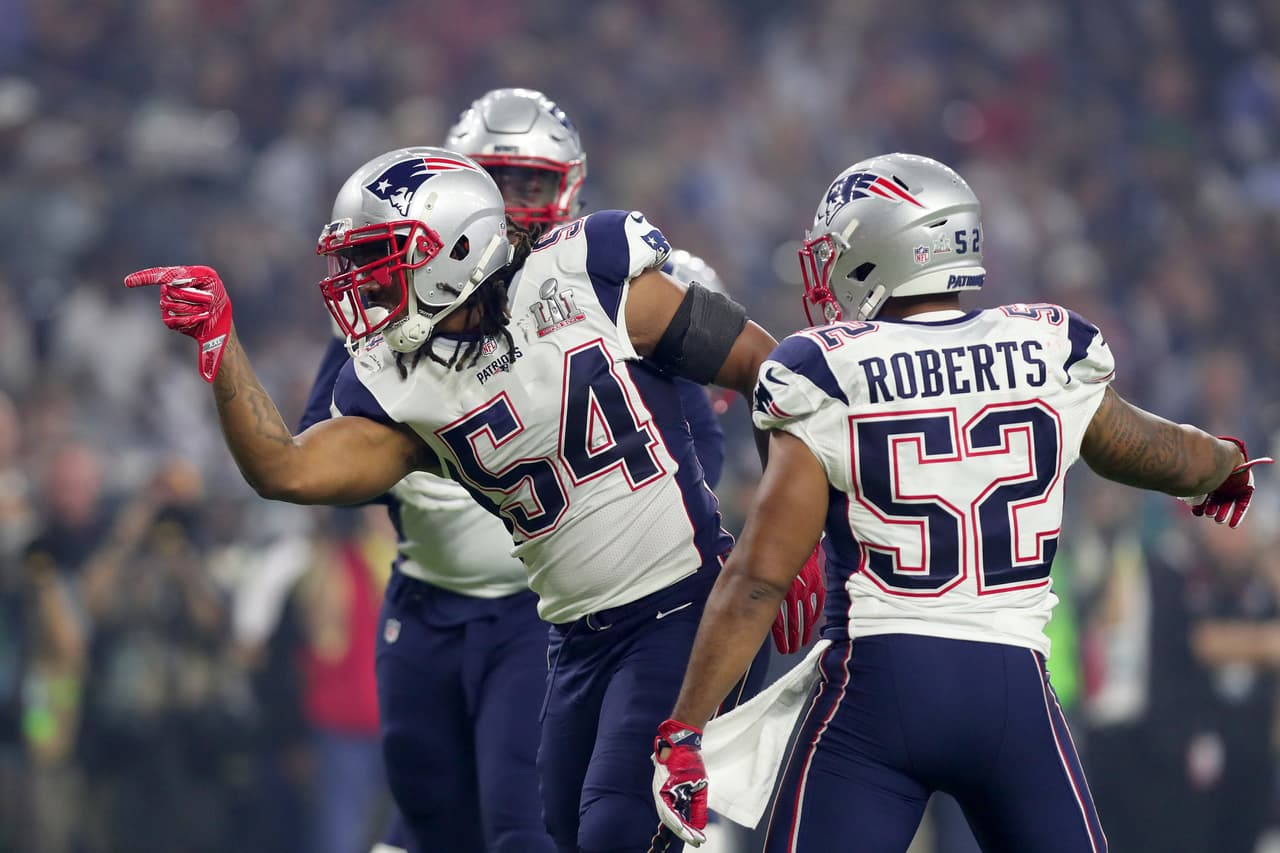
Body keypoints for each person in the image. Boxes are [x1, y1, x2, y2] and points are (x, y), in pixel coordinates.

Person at [124, 145, 813, 853]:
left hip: (682, 607)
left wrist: (790, 543)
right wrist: (221, 344)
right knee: (561, 836)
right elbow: (286, 471)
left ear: (454, 248)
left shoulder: (586, 271)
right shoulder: (404, 383)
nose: (363, 285)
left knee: (618, 829)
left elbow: (771, 370)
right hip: (573, 639)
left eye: (381, 259)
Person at [649, 152, 1272, 852]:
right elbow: (1143, 445)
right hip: (1014, 692)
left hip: (880, 687)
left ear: (886, 249)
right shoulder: (1047, 345)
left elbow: (761, 576)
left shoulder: (824, 367)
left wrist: (685, 727)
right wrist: (1221, 466)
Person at [297, 89, 784, 853]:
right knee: (435, 818)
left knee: (554, 823)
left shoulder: (596, 278)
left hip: (563, 605)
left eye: (530, 182)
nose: (510, 203)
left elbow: (703, 443)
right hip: (434, 595)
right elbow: (323, 451)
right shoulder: (393, 320)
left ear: (570, 184)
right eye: (492, 182)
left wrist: (770, 550)